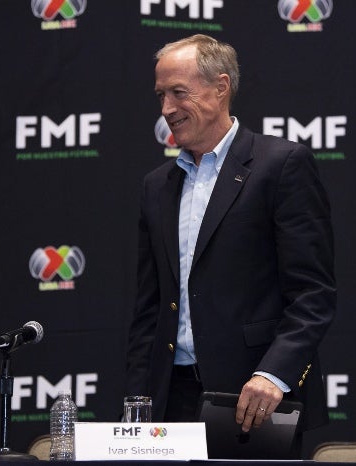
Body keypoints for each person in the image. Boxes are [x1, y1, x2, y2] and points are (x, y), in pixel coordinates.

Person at [125, 34, 336, 454]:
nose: (166, 109)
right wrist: (136, 404)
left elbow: (313, 294)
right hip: (170, 401)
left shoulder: (281, 166)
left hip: (254, 399)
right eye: (161, 95)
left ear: (221, 87)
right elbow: (150, 310)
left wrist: (273, 375)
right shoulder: (157, 186)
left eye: (178, 92)